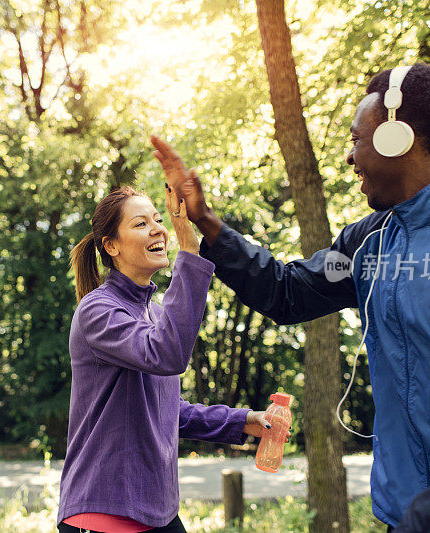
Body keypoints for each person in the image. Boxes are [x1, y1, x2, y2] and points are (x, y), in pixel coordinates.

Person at [151, 62, 430, 532]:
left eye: (357, 140)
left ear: (397, 138)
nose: (349, 157)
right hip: (404, 520)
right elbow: (289, 292)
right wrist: (206, 221)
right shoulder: (368, 243)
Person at [58, 185, 278, 533]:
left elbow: (169, 411)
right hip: (104, 513)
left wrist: (244, 421)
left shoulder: (157, 316)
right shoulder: (98, 311)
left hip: (158, 513)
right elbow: (168, 354)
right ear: (111, 245)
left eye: (158, 220)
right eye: (141, 223)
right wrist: (189, 252)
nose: (159, 229)